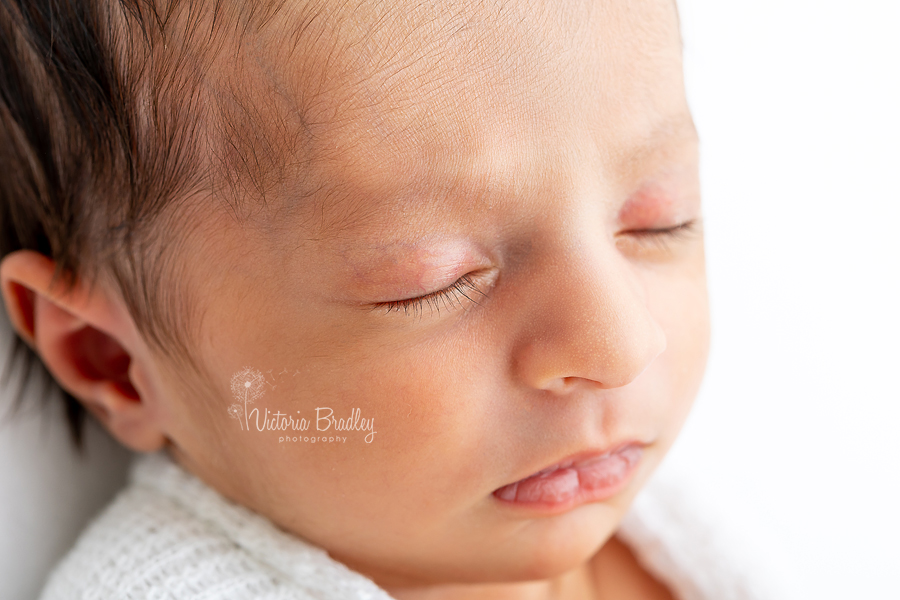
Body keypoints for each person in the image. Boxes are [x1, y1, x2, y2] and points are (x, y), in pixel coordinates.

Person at [0, 0, 748, 598]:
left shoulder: (695, 511)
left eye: (658, 220)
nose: (618, 346)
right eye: (433, 279)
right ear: (111, 358)